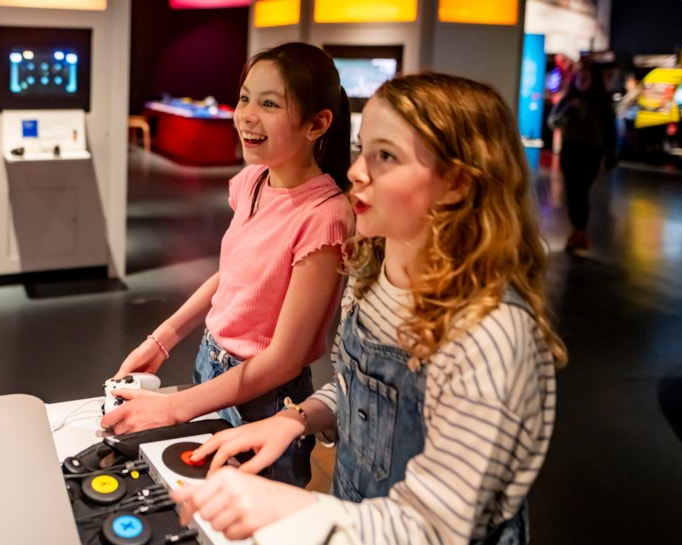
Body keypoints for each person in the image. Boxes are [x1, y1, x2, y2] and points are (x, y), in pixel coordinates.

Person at [170, 72, 569, 545]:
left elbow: (436, 527)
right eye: (363, 150)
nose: (358, 172)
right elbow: (358, 387)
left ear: (457, 183)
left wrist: (289, 505)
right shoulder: (370, 277)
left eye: (385, 156)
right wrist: (294, 419)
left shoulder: (491, 335)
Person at [100, 42, 354, 487]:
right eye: (244, 98)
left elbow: (282, 361)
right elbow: (233, 272)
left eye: (270, 104)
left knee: (260, 513)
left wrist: (176, 407)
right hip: (212, 364)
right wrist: (160, 341)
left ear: (317, 124)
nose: (247, 115)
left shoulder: (324, 216)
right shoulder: (254, 180)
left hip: (267, 397)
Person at [548, 60, 618, 254]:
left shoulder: (603, 103)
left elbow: (610, 130)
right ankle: (578, 231)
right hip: (570, 149)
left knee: (581, 191)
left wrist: (611, 155)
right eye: (579, 77)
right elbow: (553, 123)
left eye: (586, 77)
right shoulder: (568, 99)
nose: (582, 81)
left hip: (591, 151)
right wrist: (570, 110)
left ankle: (579, 231)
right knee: (572, 192)